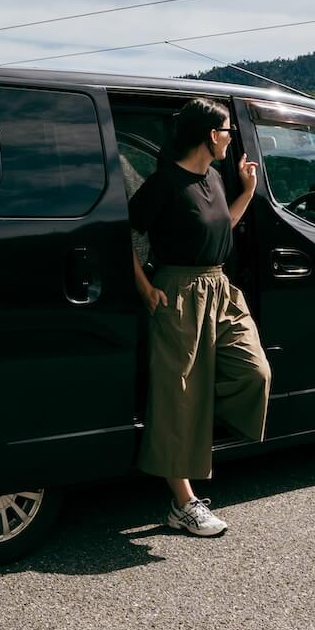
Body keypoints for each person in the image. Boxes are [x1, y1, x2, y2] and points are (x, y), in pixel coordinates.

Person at [128, 97, 271, 537]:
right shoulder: (163, 184)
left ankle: (197, 436)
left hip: (219, 287)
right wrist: (145, 286)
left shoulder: (211, 177)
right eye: (228, 130)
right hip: (178, 292)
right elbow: (123, 237)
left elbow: (221, 227)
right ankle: (183, 502)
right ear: (211, 135)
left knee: (255, 372)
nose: (232, 137)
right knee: (177, 396)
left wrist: (245, 193)